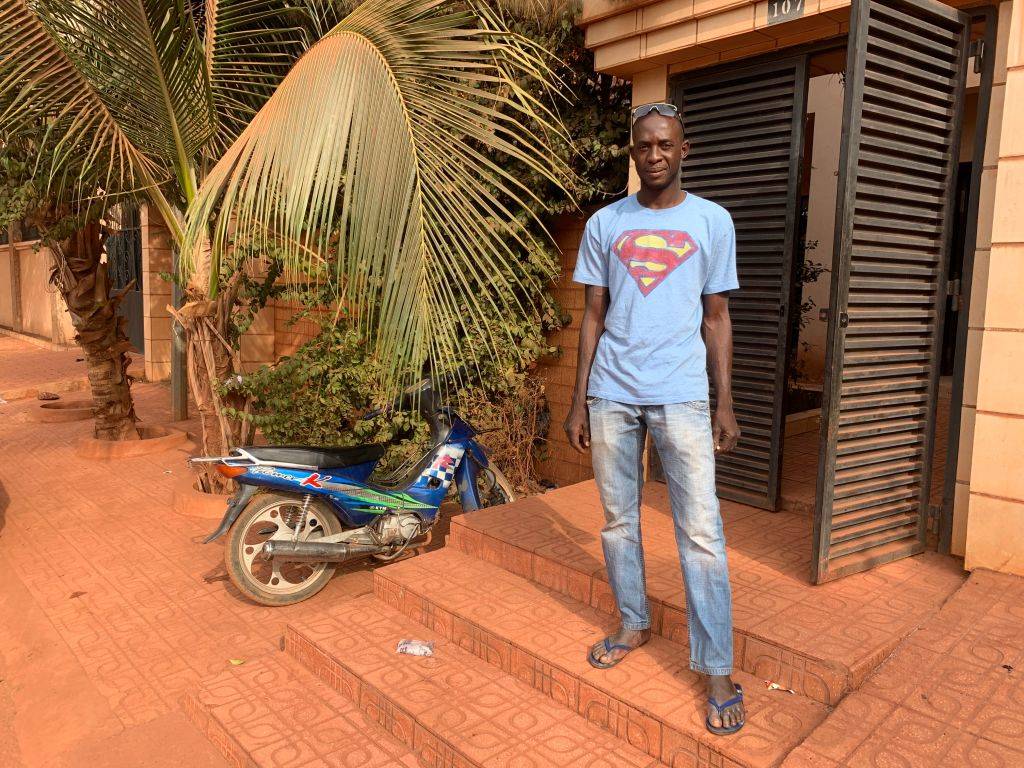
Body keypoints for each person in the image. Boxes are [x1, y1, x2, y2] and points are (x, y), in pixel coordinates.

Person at [563, 101, 745, 735]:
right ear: (633, 153)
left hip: (683, 395)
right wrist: (579, 397)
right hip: (612, 391)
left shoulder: (711, 221)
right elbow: (592, 314)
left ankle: (716, 664)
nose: (655, 155)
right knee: (617, 520)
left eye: (666, 144)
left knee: (700, 531)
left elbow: (717, 317)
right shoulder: (605, 223)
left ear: (683, 150)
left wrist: (725, 401)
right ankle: (634, 622)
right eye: (644, 146)